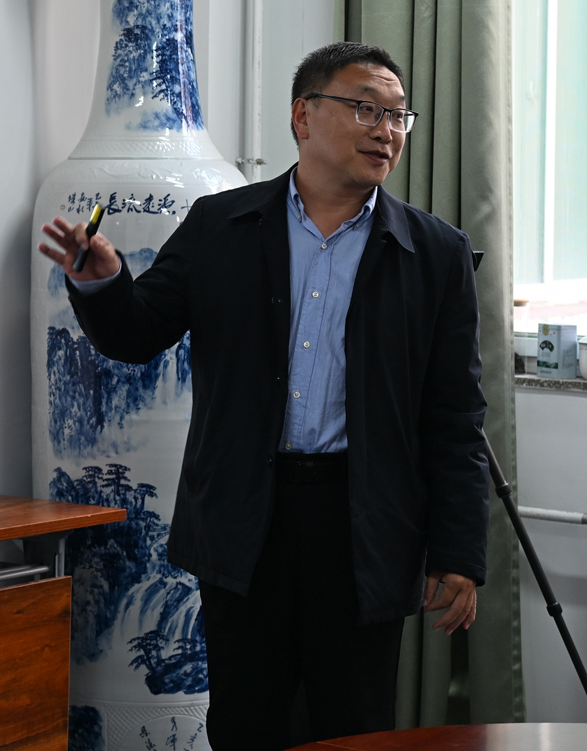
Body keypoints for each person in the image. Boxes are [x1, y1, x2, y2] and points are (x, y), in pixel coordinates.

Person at [39, 42, 487, 751]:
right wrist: (102, 282)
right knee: (247, 724)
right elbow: (138, 333)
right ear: (303, 116)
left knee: (355, 728)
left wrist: (458, 551)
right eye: (365, 108)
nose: (386, 131)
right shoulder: (221, 226)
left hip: (365, 524)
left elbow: (455, 417)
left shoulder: (435, 253)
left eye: (398, 115)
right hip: (247, 516)